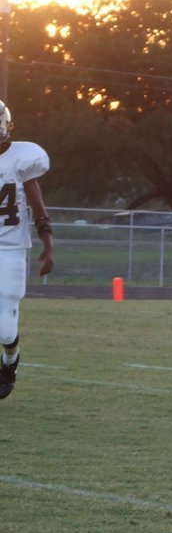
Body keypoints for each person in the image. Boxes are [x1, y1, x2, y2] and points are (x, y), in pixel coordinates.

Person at [0, 100, 55, 399]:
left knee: (6, 331)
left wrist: (49, 245)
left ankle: (10, 361)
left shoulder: (22, 160)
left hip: (10, 249)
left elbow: (39, 210)